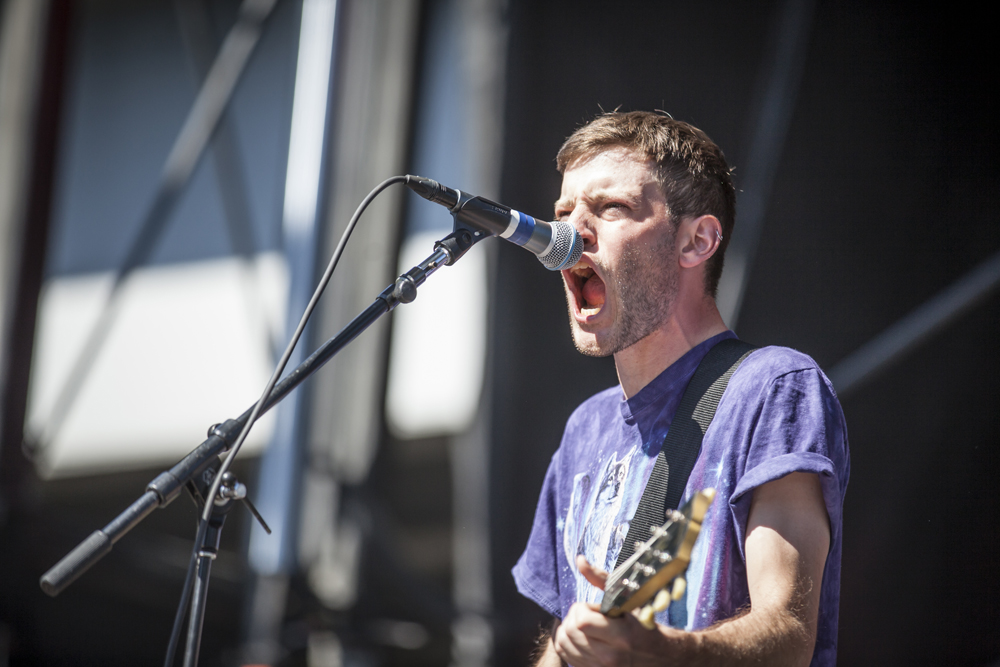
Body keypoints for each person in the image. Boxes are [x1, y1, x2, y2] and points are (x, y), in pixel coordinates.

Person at [511, 111, 850, 667]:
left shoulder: (774, 388)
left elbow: (789, 632)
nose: (571, 235)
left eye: (610, 208)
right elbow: (570, 639)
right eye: (564, 214)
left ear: (697, 240)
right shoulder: (585, 430)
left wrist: (664, 652)